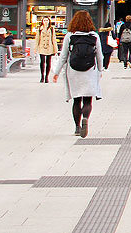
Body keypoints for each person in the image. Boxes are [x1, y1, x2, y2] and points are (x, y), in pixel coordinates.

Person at [52, 10, 103, 138]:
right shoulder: (94, 36)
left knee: (76, 100)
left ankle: (77, 127)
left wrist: (56, 72)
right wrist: (100, 70)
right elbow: (99, 56)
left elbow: (63, 56)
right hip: (89, 71)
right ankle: (85, 118)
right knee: (87, 100)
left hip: (73, 71)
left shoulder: (69, 36)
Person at [35, 17, 58, 83]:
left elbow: (53, 39)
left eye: (47, 20)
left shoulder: (51, 29)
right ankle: (42, 76)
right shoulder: (39, 29)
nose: (45, 21)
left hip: (49, 47)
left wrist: (55, 48)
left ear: (49, 21)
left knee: (48, 62)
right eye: (44, 20)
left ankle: (46, 77)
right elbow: (37, 39)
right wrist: (35, 48)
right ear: (42, 21)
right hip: (42, 46)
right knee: (42, 62)